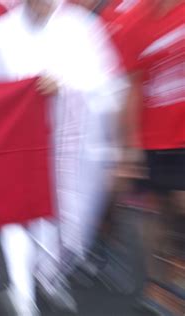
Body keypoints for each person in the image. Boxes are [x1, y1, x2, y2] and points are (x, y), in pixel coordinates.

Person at [0, 0, 126, 314]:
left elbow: (108, 86)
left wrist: (66, 85)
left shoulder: (79, 28)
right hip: (18, 147)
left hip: (67, 152)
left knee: (55, 218)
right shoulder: (3, 31)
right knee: (18, 214)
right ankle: (22, 293)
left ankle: (48, 276)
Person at [117, 1, 184, 314]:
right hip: (153, 139)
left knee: (180, 205)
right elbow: (131, 88)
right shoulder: (134, 21)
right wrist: (130, 147)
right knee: (155, 215)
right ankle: (157, 286)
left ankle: (174, 271)